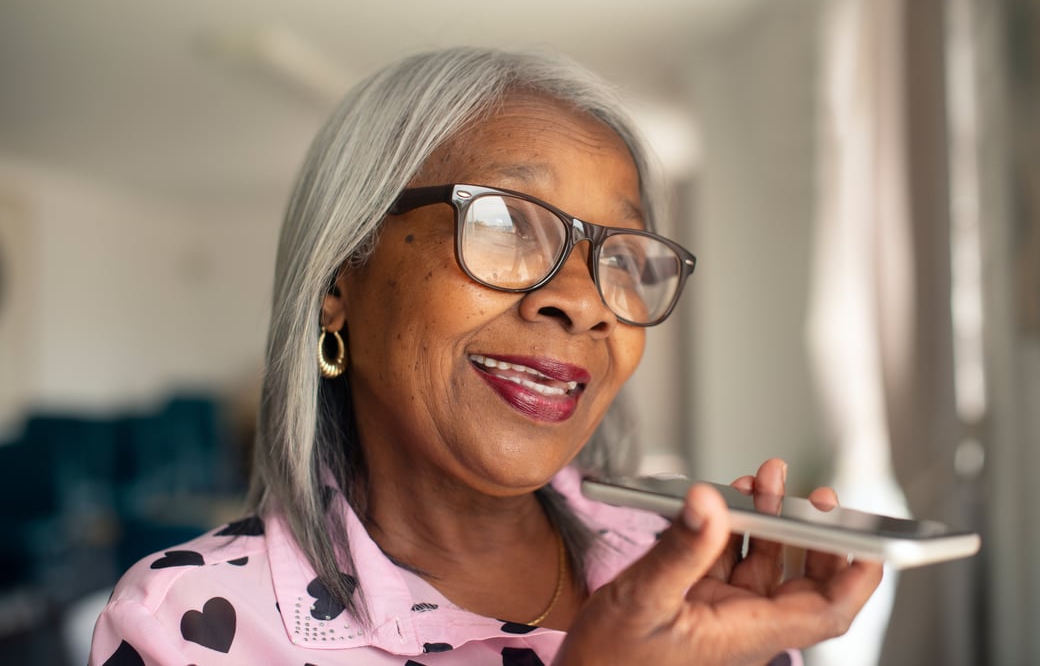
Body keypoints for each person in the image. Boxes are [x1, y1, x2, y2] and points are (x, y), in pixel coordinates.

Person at [89, 47, 881, 665]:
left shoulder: (681, 574)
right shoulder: (187, 624)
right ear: (337, 281)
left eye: (621, 256)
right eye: (504, 224)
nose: (583, 301)